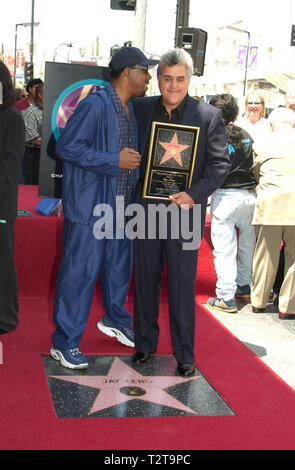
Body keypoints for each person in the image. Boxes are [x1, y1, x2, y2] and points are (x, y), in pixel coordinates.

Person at [50, 47, 158, 369]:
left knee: (118, 269)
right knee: (79, 275)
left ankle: (115, 319)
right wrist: (115, 160)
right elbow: (66, 147)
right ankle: (64, 342)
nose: (148, 76)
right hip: (91, 208)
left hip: (121, 207)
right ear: (127, 72)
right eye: (144, 70)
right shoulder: (96, 105)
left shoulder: (128, 108)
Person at [132, 48, 231, 377]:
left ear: (189, 80)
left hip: (184, 215)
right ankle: (144, 345)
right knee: (145, 282)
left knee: (181, 286)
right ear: (158, 79)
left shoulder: (207, 116)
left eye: (180, 79)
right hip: (145, 212)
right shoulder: (141, 108)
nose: (173, 85)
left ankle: (185, 355)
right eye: (167, 78)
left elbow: (219, 167)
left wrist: (194, 194)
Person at [207, 94, 256, 313]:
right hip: (249, 196)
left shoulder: (214, 136)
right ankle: (244, 287)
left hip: (226, 197)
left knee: (225, 251)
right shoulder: (246, 134)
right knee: (246, 246)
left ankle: (226, 297)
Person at [250, 107, 295, 319]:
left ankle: (258, 301)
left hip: (269, 204)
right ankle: (288, 307)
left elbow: (256, 171)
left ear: (272, 124)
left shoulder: (263, 143)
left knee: (265, 255)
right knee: (293, 259)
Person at [0, 61, 25, 334]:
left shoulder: (12, 118)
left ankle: (5, 318)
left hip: (2, 204)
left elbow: (10, 167)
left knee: (3, 263)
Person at [22, 82, 44, 184]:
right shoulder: (31, 113)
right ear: (40, 95)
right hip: (33, 156)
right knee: (33, 187)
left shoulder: (50, 110)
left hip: (44, 155)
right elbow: (34, 140)